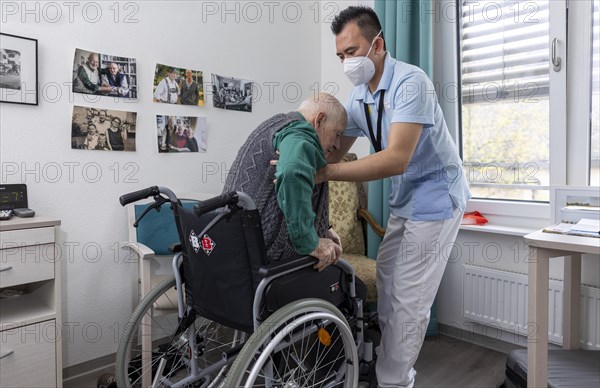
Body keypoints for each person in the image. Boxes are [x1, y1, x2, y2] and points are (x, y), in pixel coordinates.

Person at [323, 6, 471, 388]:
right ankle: (393, 361)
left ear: (378, 45)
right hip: (406, 201)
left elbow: (397, 158)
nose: (347, 63)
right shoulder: (359, 97)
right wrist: (304, 167)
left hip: (437, 198)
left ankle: (393, 380)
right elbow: (336, 150)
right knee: (387, 276)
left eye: (352, 51)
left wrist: (328, 172)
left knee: (410, 298)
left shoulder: (410, 82)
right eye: (341, 56)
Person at [223, 93, 347, 269]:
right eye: (337, 134)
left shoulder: (276, 124)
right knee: (350, 284)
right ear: (319, 120)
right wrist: (310, 242)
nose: (338, 145)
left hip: (233, 240)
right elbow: (292, 173)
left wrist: (322, 227)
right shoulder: (300, 133)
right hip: (262, 255)